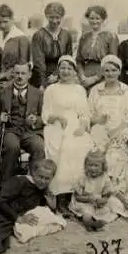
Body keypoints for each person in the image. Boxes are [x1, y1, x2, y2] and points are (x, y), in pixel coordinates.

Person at [42, 55, 93, 215]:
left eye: (69, 68)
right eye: (62, 68)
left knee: (82, 145)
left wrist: (83, 126)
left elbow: (85, 114)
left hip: (75, 125)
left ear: (74, 71)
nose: (65, 71)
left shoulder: (80, 89)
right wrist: (57, 117)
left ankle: (75, 195)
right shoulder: (51, 89)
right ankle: (61, 197)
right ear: (58, 70)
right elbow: (45, 114)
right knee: (64, 148)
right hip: (55, 125)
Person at [0, 62, 45, 184]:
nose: (20, 76)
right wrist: (0, 120)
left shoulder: (38, 94)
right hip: (10, 130)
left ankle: (34, 183)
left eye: (23, 73)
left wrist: (36, 120)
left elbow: (44, 118)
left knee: (39, 146)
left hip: (29, 131)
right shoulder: (3, 93)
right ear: (13, 74)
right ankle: (6, 185)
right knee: (12, 147)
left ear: (29, 75)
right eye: (17, 73)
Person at [89, 55, 128, 178]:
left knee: (118, 150)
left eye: (114, 70)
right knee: (96, 147)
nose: (110, 73)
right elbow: (89, 115)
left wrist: (116, 130)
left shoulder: (127, 90)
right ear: (102, 72)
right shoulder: (95, 90)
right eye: (107, 70)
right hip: (100, 127)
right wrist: (98, 120)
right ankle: (99, 182)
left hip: (122, 127)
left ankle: (116, 182)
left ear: (119, 71)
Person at [69, 150, 118, 231]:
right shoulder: (83, 178)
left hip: (97, 204)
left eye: (96, 165)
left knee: (109, 211)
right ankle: (91, 223)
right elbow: (78, 197)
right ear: (85, 165)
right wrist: (88, 199)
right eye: (90, 165)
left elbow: (106, 195)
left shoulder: (105, 178)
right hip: (84, 202)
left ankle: (94, 222)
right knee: (87, 214)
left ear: (103, 167)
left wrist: (102, 200)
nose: (92, 168)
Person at [30, 2, 74, 90]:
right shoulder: (39, 35)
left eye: (57, 17)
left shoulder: (66, 35)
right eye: (51, 17)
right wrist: (43, 83)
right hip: (41, 75)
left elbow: (68, 58)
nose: (54, 21)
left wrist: (56, 74)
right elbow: (39, 61)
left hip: (62, 74)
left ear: (62, 17)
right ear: (46, 16)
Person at [76, 5, 119, 90]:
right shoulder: (84, 37)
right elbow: (78, 60)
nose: (94, 21)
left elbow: (112, 61)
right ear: (88, 19)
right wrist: (82, 76)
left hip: (103, 76)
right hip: (85, 76)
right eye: (91, 18)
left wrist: (95, 78)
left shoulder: (111, 36)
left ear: (103, 19)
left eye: (97, 18)